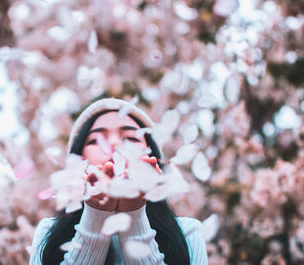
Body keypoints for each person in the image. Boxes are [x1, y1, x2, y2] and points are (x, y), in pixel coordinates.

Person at [29, 98, 208, 265]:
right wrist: (96, 214)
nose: (115, 144)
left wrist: (134, 212)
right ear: (78, 161)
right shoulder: (48, 233)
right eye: (96, 140)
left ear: (151, 158)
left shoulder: (187, 232)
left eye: (130, 138)